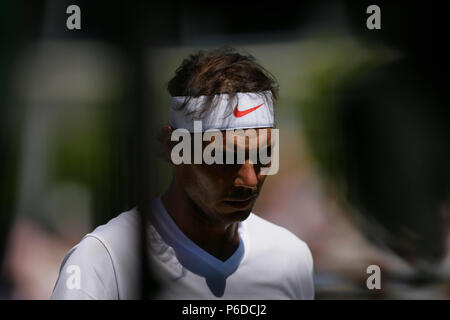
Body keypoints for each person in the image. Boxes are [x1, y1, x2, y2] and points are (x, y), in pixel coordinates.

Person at [50, 47, 314, 299]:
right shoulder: (105, 261)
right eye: (223, 157)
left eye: (262, 156)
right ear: (173, 147)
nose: (249, 179)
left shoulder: (290, 258)